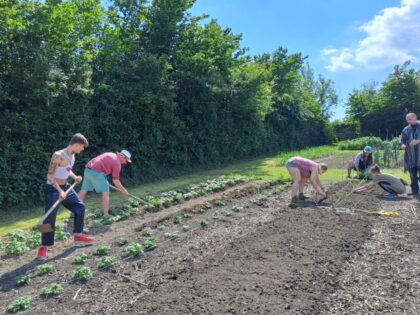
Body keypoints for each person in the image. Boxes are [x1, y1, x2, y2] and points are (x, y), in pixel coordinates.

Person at [37, 133, 94, 260]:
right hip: (53, 189)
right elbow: (50, 177)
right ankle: (43, 248)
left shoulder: (72, 155)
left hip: (65, 187)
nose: (82, 149)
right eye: (82, 147)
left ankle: (78, 235)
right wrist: (59, 191)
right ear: (76, 144)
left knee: (80, 207)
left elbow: (67, 169)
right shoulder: (58, 156)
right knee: (49, 218)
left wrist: (75, 177)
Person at [78, 150, 132, 216]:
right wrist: (123, 189)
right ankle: (106, 215)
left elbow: (98, 162)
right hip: (97, 173)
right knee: (106, 192)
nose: (125, 163)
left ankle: (73, 213)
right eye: (126, 161)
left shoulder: (110, 154)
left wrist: (103, 180)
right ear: (123, 157)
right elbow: (116, 180)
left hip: (88, 170)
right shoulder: (117, 163)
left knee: (83, 191)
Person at [401, 113, 420, 196]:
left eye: (409, 119)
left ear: (415, 118)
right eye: (407, 120)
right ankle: (415, 192)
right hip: (410, 156)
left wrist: (418, 141)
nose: (408, 121)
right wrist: (403, 145)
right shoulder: (406, 129)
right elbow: (402, 139)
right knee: (412, 175)